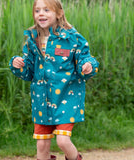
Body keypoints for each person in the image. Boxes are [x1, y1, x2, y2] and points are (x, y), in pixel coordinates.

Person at [9, 0, 99, 159]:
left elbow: (85, 57)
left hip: (66, 97)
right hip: (41, 100)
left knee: (63, 141)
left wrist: (87, 65)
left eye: (46, 10)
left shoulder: (71, 38)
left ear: (59, 13)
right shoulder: (32, 39)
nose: (41, 14)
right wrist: (18, 65)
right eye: (37, 11)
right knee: (42, 146)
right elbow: (29, 72)